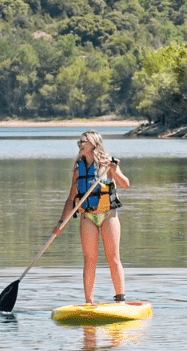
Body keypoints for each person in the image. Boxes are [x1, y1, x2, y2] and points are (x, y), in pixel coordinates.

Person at [55, 130, 131, 305]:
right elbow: (71, 198)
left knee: (113, 258)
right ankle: (89, 302)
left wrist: (114, 170)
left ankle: (120, 300)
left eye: (84, 142)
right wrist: (61, 223)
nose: (80, 145)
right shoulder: (78, 170)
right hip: (87, 217)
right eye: (79, 142)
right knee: (90, 259)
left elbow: (126, 184)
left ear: (94, 144)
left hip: (108, 215)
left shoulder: (108, 164)